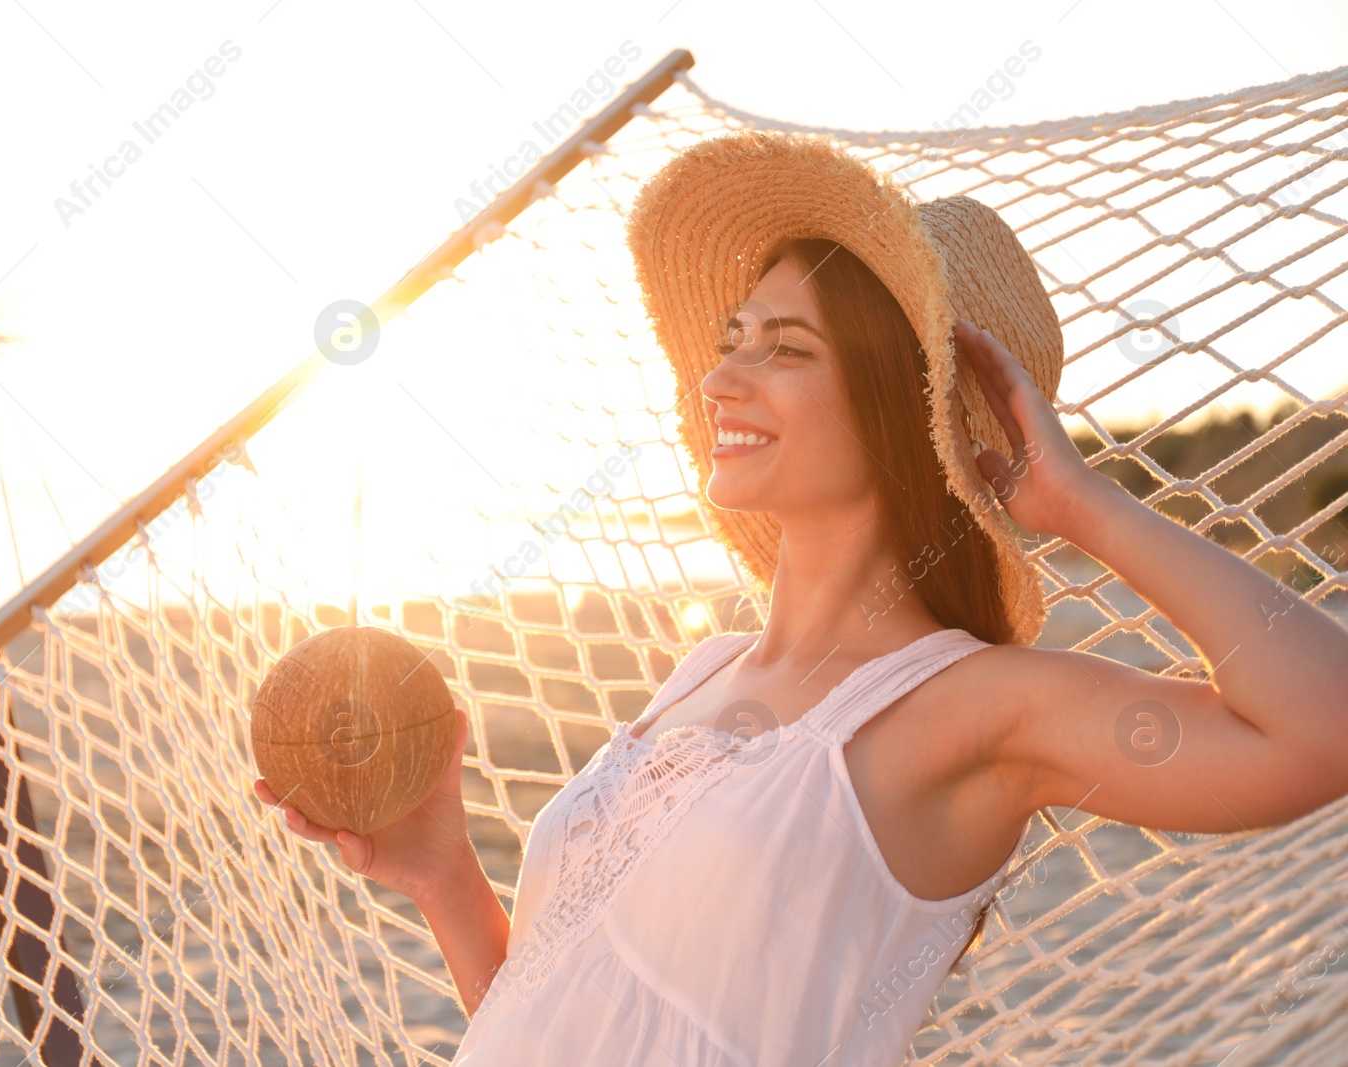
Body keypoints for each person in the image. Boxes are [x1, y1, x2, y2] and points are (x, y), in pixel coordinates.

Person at [254, 129, 1348, 1065]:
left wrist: (1077, 502)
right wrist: (445, 871)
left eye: (782, 349)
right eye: (730, 342)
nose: (718, 379)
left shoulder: (965, 710)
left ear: (898, 406)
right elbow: (559, 1021)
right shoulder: (702, 674)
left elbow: (1324, 724)